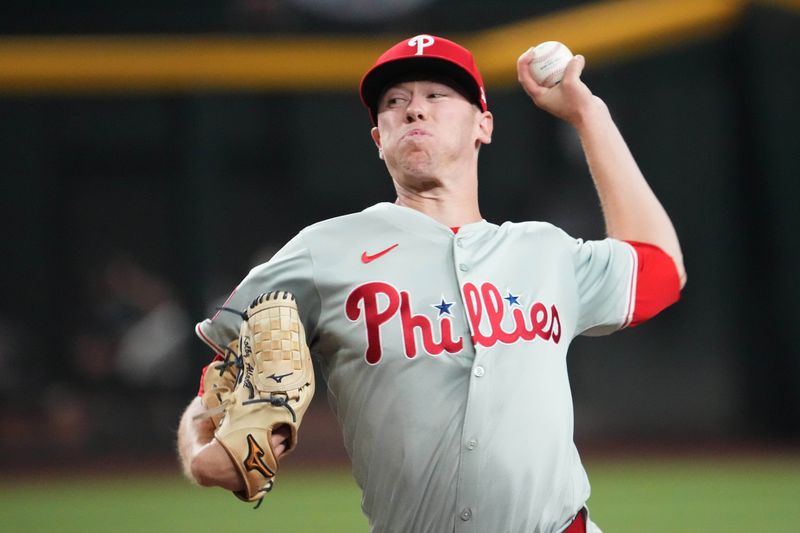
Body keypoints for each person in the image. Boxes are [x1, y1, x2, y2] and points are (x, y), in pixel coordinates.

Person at [177, 34, 686, 533]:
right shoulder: (322, 251)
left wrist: (587, 115)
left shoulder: (544, 251)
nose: (414, 110)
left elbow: (660, 269)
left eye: (437, 95)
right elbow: (222, 379)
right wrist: (199, 454)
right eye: (395, 102)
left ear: (482, 125)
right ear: (379, 140)